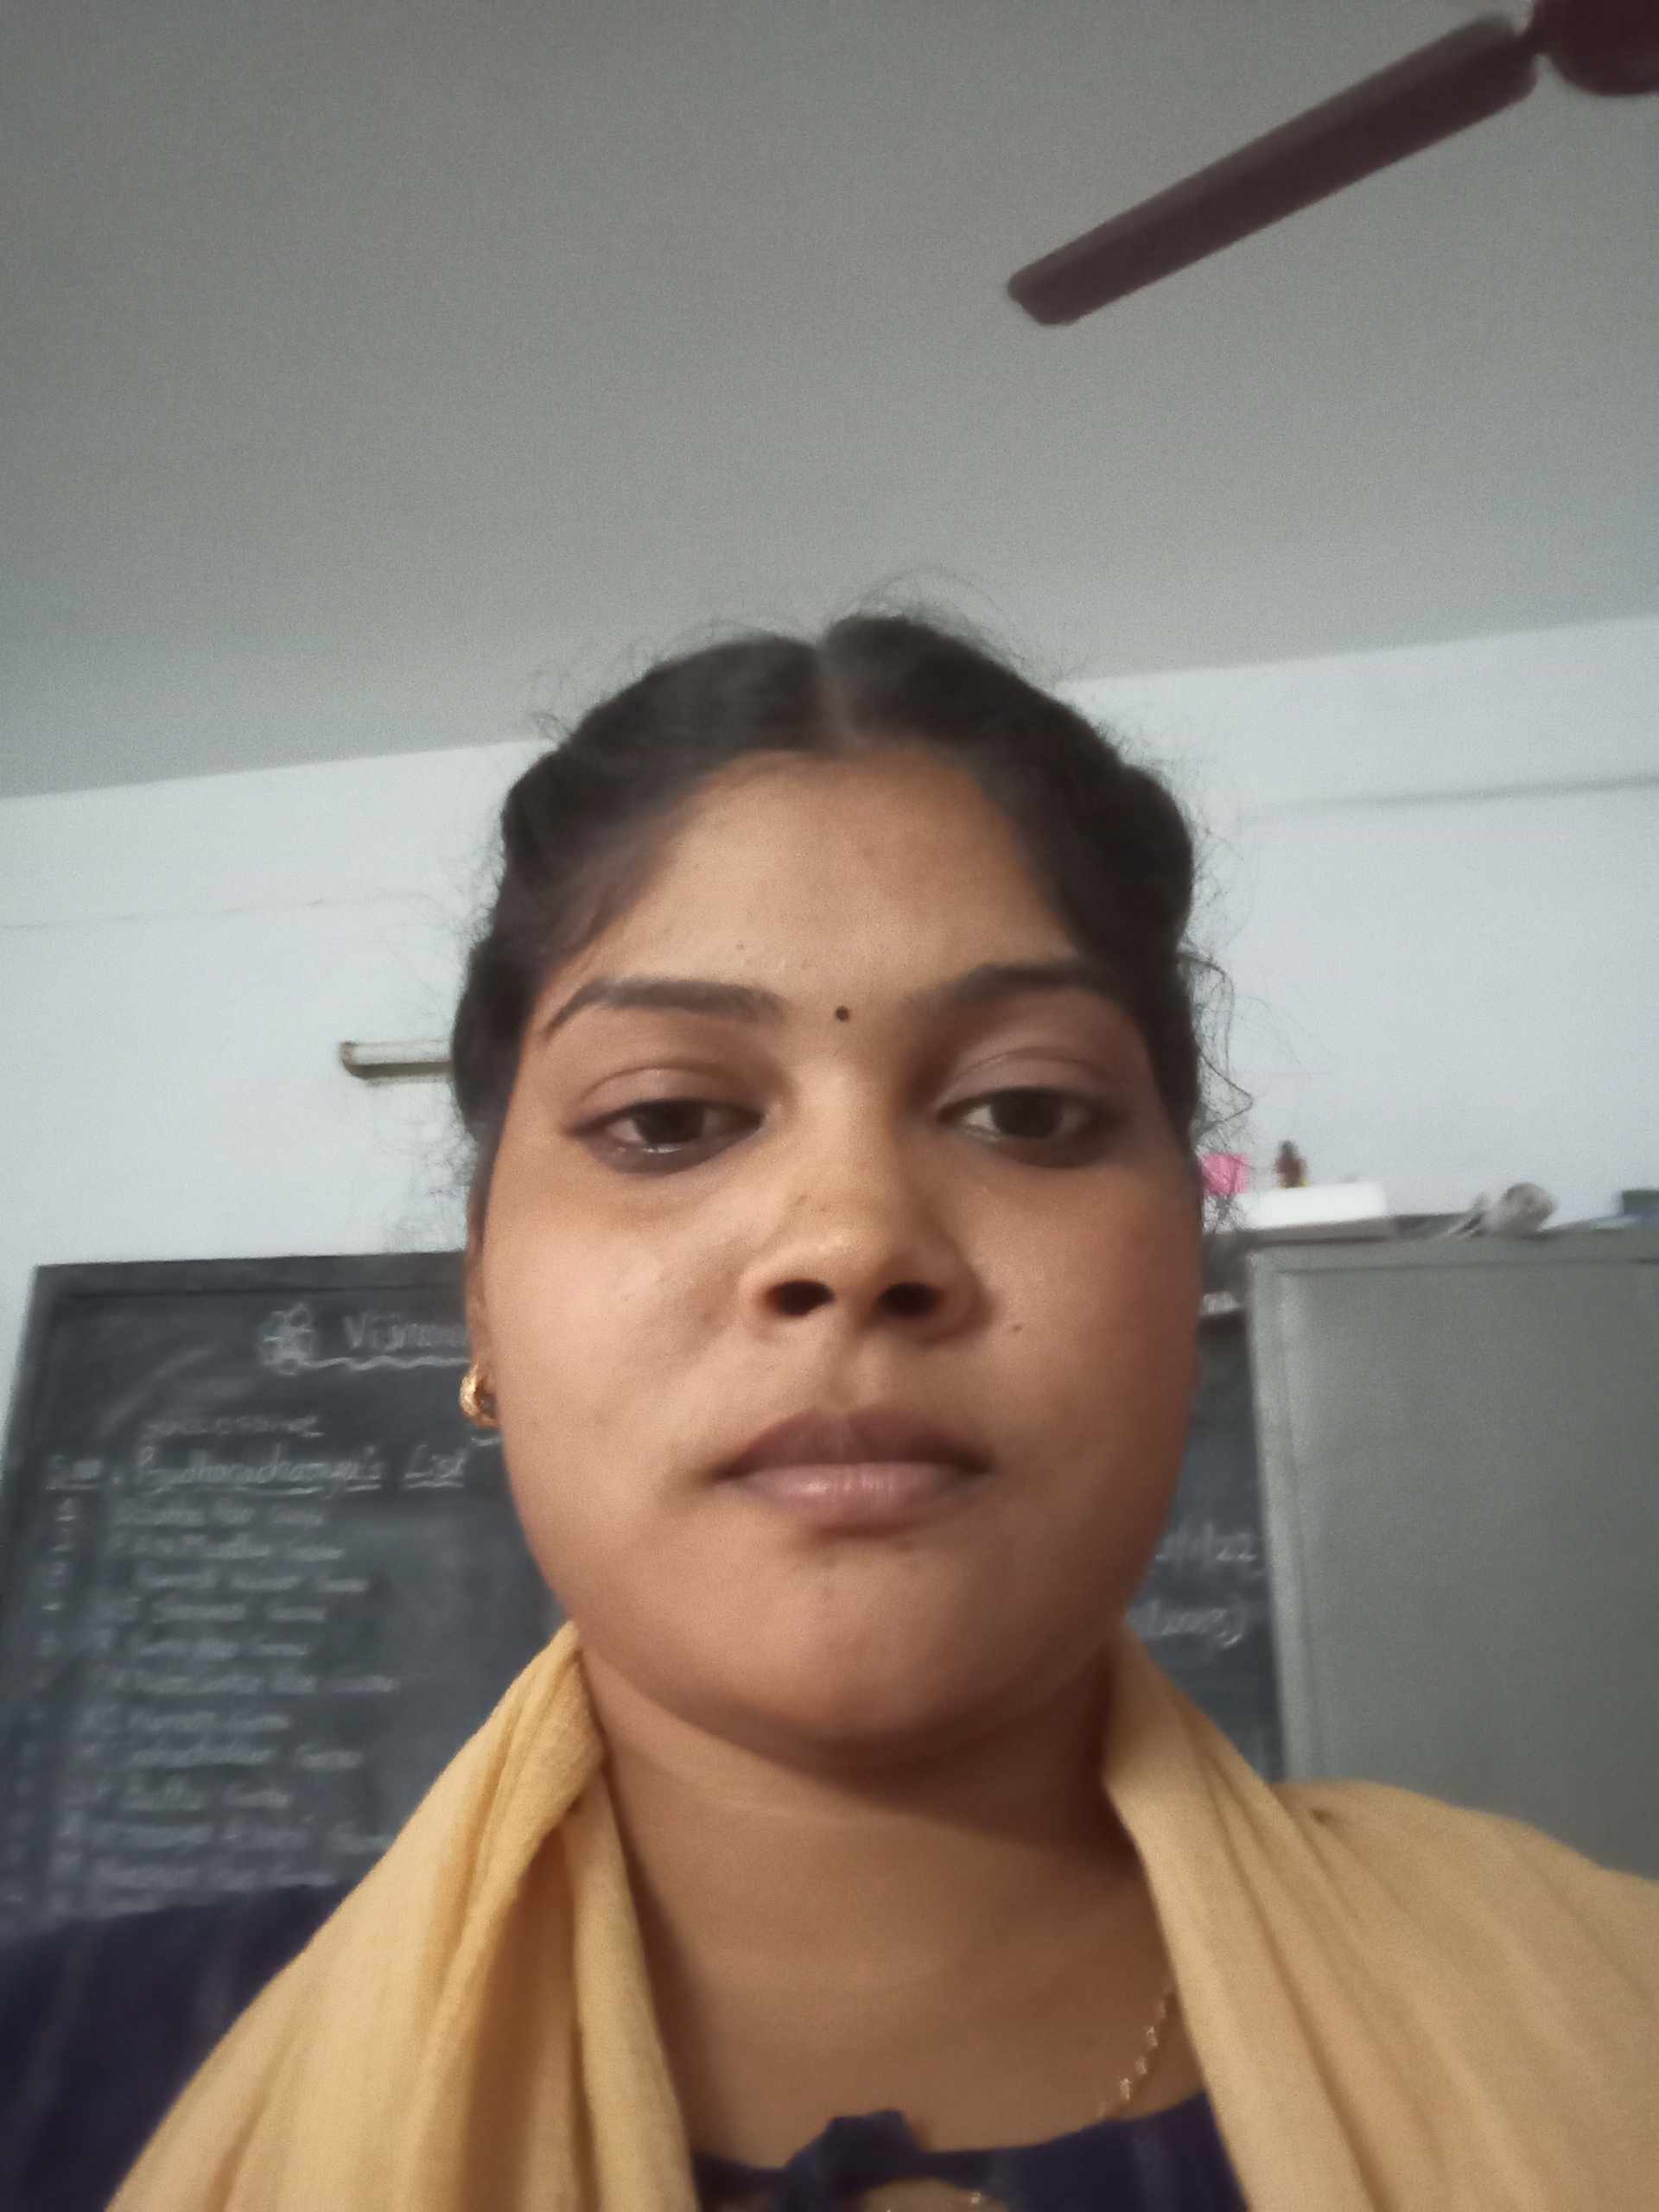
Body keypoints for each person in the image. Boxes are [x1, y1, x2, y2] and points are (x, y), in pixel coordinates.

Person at [3, 615, 1655, 2211]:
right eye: (667, 1119)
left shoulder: (1610, 2018)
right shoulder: (53, 2086)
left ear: (1187, 1281)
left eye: (1026, 1109)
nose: (854, 1242)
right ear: (486, 1303)